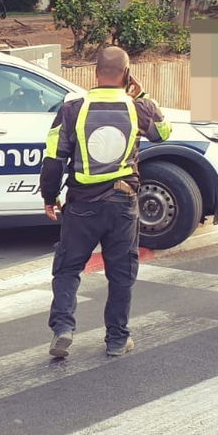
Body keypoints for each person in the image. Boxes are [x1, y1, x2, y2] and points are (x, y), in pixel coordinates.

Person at [40, 46, 171, 359]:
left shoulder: (72, 108)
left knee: (68, 268)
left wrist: (49, 196)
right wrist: (143, 94)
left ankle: (63, 328)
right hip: (123, 203)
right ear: (126, 75)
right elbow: (163, 133)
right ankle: (116, 339)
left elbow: (53, 158)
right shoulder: (138, 107)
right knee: (121, 273)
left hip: (81, 205)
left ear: (94, 73)